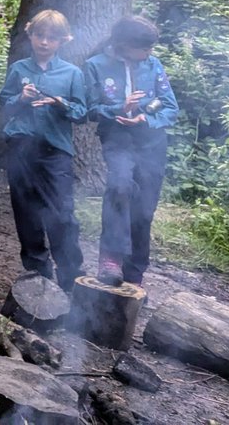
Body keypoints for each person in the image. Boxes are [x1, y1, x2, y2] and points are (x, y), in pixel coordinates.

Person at [0, 9, 88, 290]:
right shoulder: (20, 69)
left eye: (52, 38)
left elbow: (82, 112)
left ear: (63, 40)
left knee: (62, 213)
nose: (44, 42)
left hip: (55, 152)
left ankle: (70, 275)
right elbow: (5, 105)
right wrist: (20, 98)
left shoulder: (72, 74)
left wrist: (62, 104)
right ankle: (38, 274)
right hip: (22, 149)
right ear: (31, 35)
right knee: (26, 212)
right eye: (39, 35)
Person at [85, 15, 178, 286]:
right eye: (145, 48)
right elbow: (91, 109)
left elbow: (170, 107)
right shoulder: (96, 66)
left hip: (151, 141)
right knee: (120, 186)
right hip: (118, 138)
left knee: (144, 208)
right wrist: (119, 109)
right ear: (124, 44)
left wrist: (145, 118)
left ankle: (135, 272)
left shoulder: (153, 65)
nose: (149, 53)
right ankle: (111, 260)